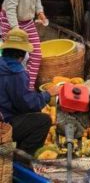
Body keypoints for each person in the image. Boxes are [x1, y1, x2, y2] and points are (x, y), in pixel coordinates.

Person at [0, 29, 59, 157]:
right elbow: (27, 104)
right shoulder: (17, 73)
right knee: (43, 120)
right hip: (5, 124)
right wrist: (47, 94)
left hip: (3, 115)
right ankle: (21, 159)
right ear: (22, 55)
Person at [2, 0, 47, 88]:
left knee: (36, 55)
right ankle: (8, 86)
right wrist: (15, 29)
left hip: (27, 22)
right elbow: (10, 7)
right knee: (13, 58)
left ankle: (28, 87)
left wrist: (40, 11)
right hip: (9, 22)